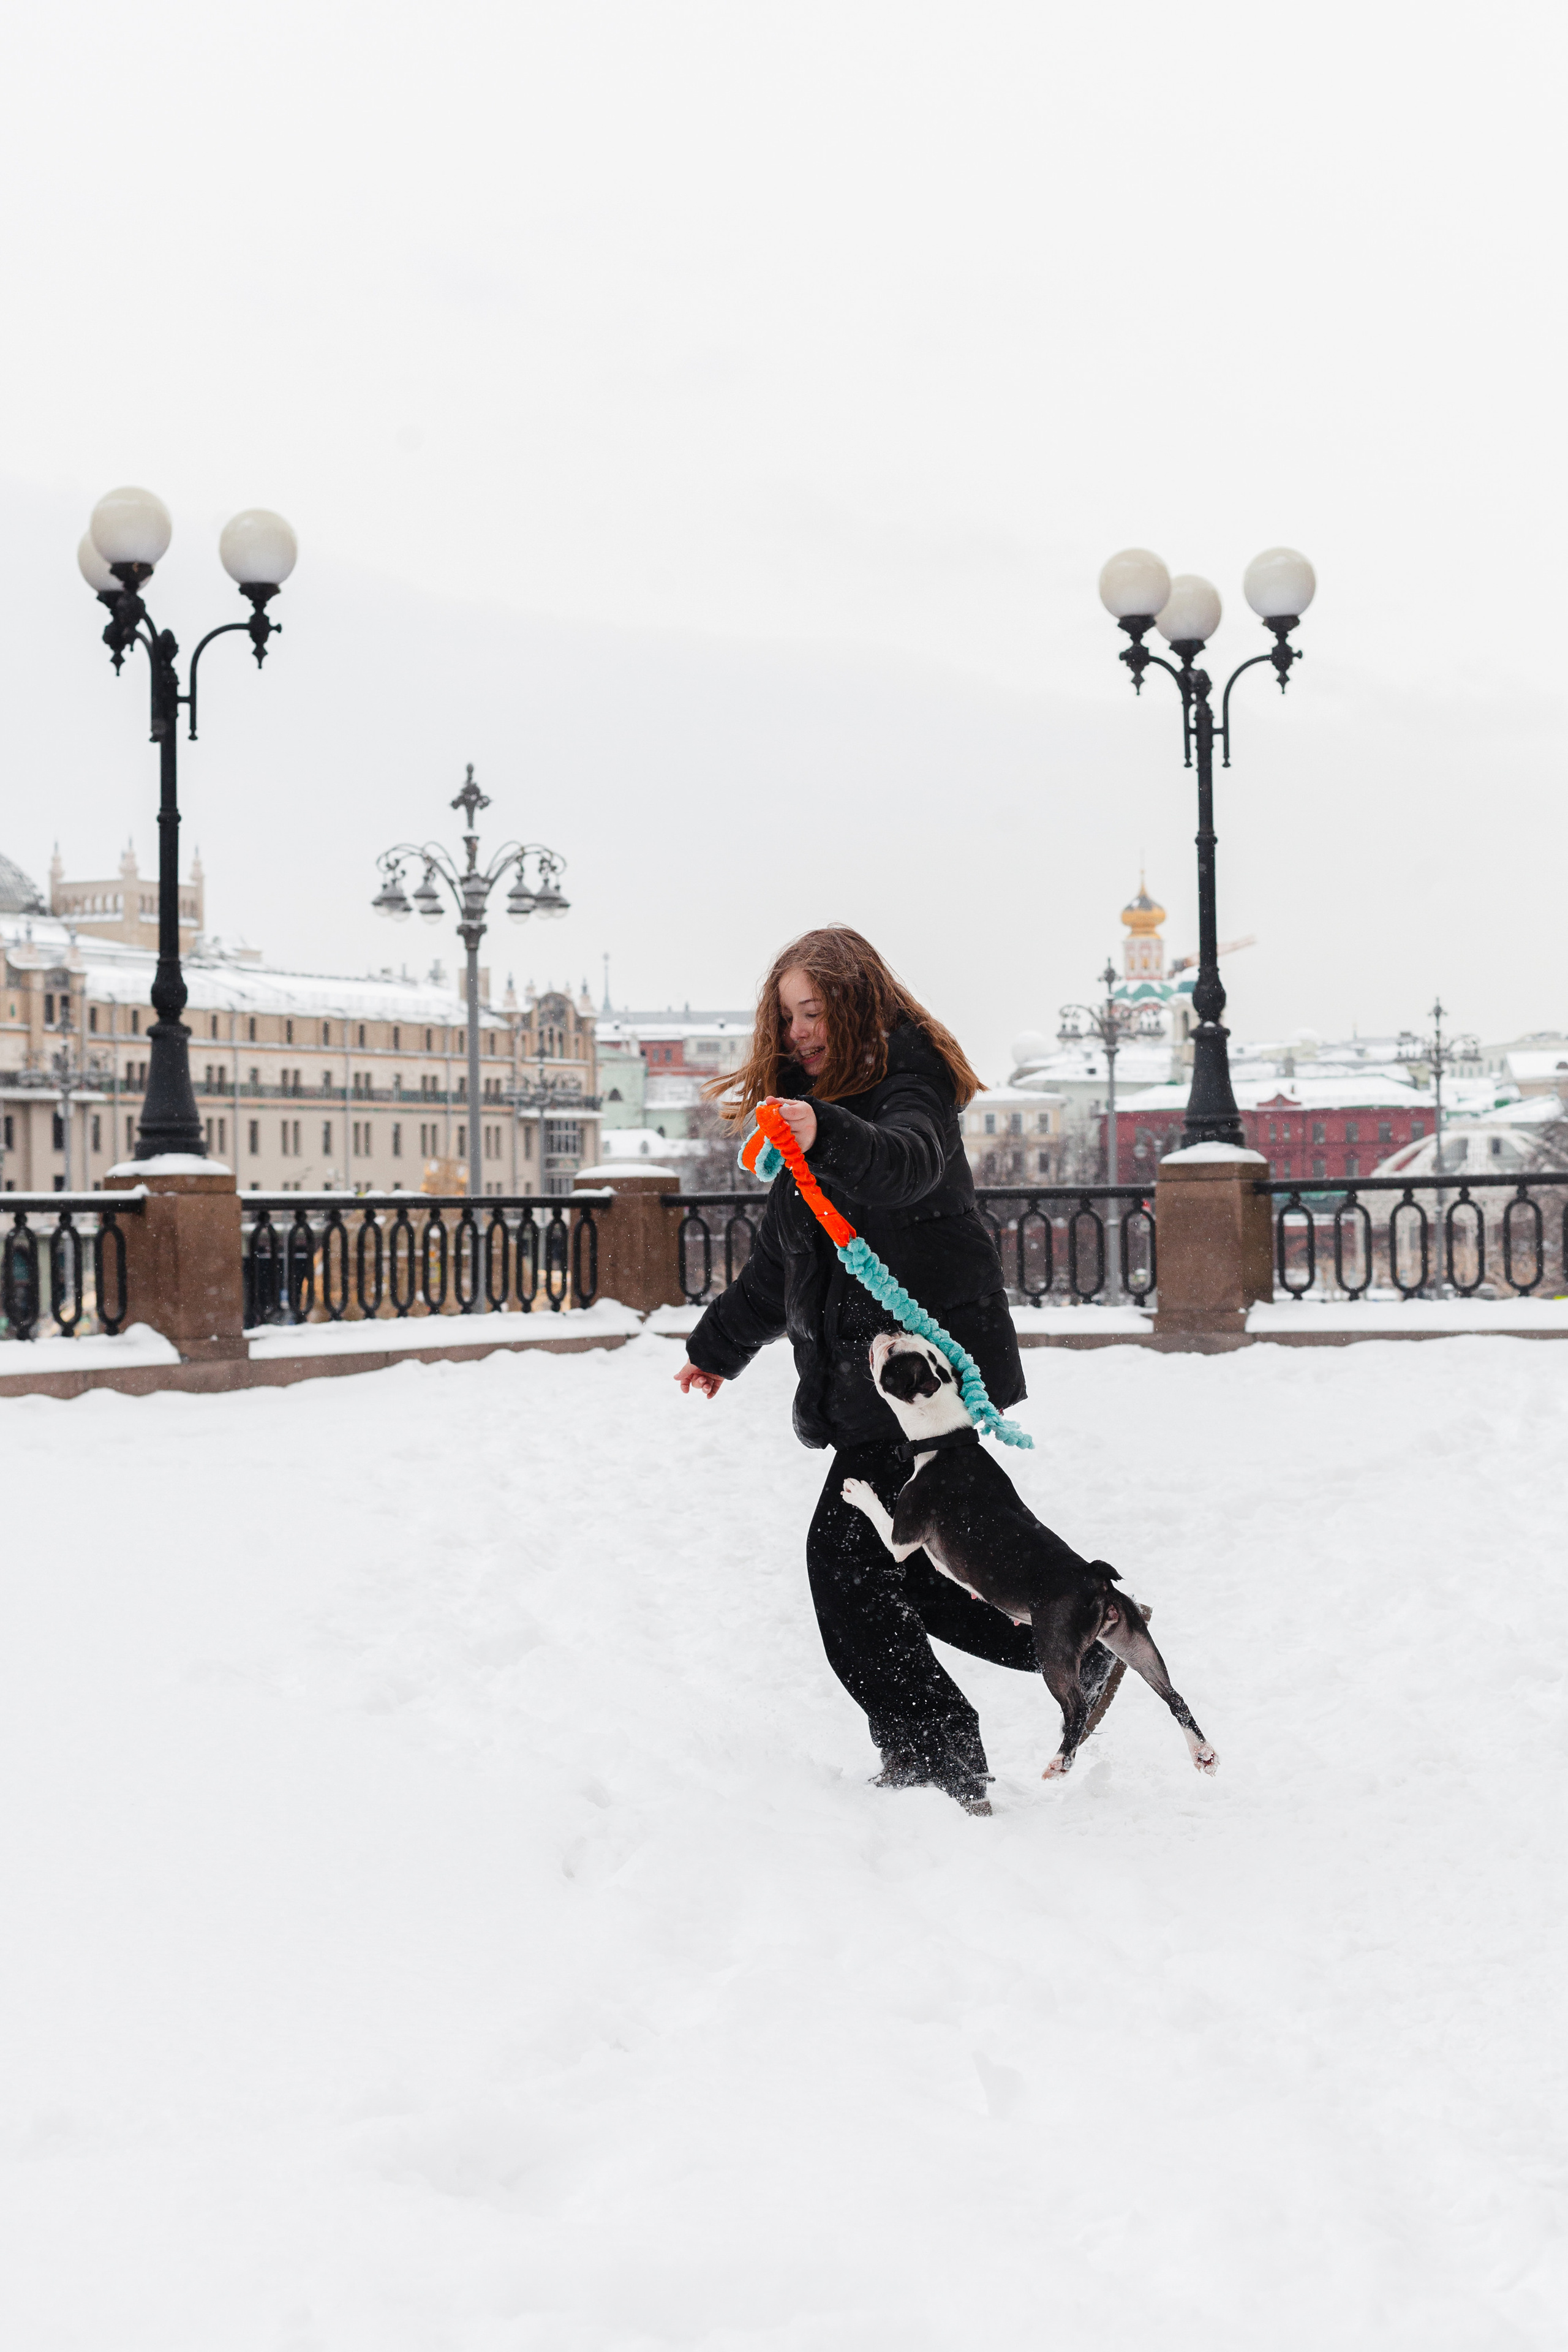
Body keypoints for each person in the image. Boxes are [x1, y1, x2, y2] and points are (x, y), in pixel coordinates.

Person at [675, 925, 1038, 1814]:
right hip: (868, 1382)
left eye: (815, 1010)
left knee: (845, 1566)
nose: (800, 1030)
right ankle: (1071, 1642)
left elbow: (905, 1163)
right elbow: (780, 1265)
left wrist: (826, 1127)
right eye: (787, 1014)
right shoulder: (805, 1107)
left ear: (856, 1001)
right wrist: (716, 1349)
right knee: (907, 1571)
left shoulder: (908, 1078)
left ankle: (938, 1754)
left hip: (921, 1376)